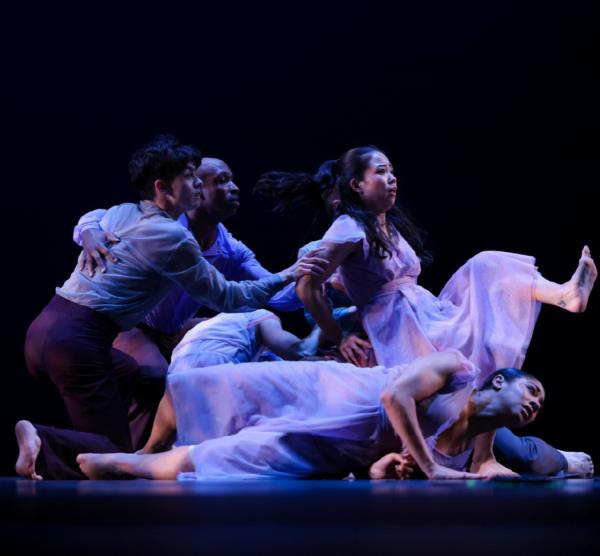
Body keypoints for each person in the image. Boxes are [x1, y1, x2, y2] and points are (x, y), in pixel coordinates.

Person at [255, 147, 596, 477]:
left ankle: (564, 295)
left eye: (392, 171)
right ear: (356, 185)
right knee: (469, 393)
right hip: (400, 329)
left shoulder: (384, 225)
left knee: (487, 273)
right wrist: (340, 336)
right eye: (381, 172)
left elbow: (359, 277)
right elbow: (307, 288)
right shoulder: (348, 226)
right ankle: (478, 459)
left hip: (426, 313)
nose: (392, 178)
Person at [16, 136, 327, 480]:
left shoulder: (123, 212)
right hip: (80, 339)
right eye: (191, 178)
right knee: (113, 454)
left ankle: (142, 454)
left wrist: (307, 277)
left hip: (48, 327)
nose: (198, 185)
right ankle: (43, 438)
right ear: (162, 187)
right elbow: (227, 298)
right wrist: (288, 273)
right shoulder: (173, 236)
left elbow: (97, 217)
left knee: (140, 376)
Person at [72, 351, 554, 480]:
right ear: (499, 381)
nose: (535, 403)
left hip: (342, 447)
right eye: (531, 390)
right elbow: (394, 397)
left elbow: (383, 470)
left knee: (232, 458)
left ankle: (122, 466)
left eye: (540, 405)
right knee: (211, 386)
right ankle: (147, 448)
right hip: (338, 393)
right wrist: (428, 467)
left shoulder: (478, 442)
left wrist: (393, 469)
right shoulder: (456, 368)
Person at [72, 157, 302, 381]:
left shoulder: (231, 250)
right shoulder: (165, 228)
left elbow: (282, 298)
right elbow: (100, 215)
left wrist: (308, 269)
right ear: (196, 188)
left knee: (250, 332)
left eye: (232, 180)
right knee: (155, 379)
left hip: (175, 331)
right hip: (133, 326)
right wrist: (89, 232)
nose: (234, 188)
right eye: (221, 180)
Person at [141, 309, 322, 453]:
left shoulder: (205, 330)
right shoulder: (260, 316)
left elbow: (278, 362)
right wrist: (321, 325)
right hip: (215, 368)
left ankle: (128, 463)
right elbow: (298, 351)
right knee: (214, 452)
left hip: (178, 374)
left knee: (165, 449)